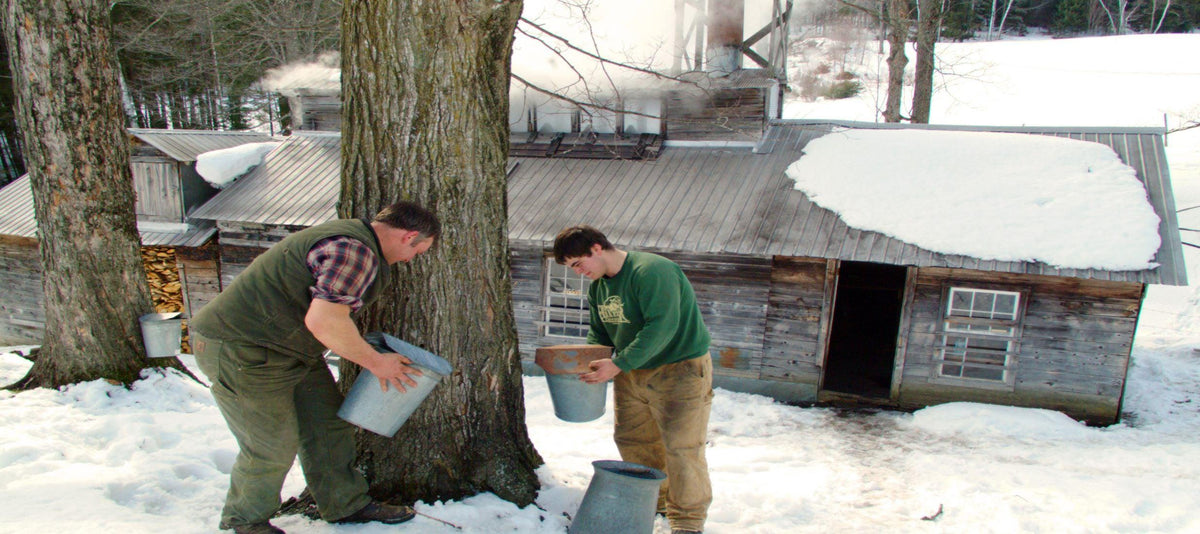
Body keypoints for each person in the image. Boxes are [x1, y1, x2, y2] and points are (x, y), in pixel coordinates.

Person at [190, 201, 440, 534]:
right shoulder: (354, 251)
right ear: (409, 236)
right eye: (419, 251)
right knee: (270, 446)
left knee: (327, 427)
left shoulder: (355, 243)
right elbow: (324, 319)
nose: (412, 260)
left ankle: (344, 503)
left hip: (289, 350)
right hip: (242, 350)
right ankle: (245, 522)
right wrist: (377, 363)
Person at [553, 225, 714, 534]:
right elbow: (600, 333)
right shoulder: (599, 287)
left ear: (597, 248)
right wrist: (591, 363)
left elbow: (663, 326)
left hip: (679, 369)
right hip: (631, 370)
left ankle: (687, 523)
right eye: (572, 268)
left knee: (682, 448)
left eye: (577, 264)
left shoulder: (652, 270)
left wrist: (620, 363)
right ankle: (658, 503)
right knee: (633, 439)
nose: (578, 272)